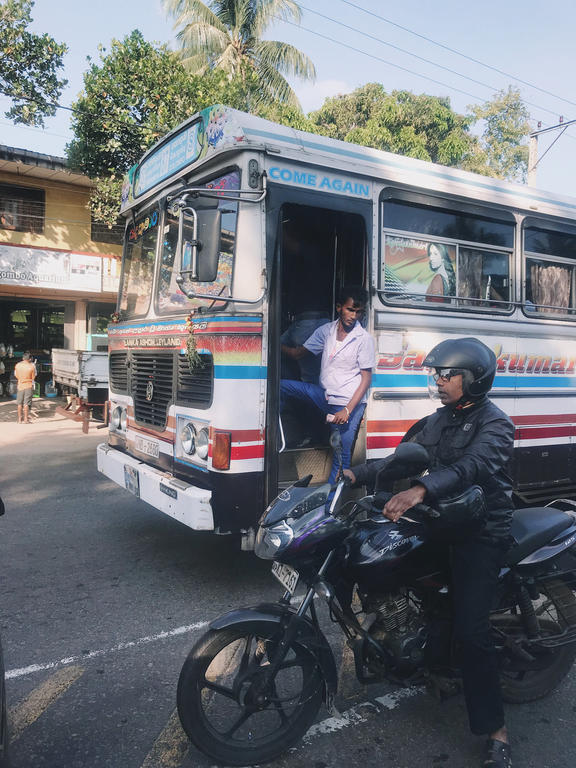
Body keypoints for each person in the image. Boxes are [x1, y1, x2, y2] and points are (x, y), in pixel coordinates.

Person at [345, 337, 514, 768]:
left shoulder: (496, 425)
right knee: (390, 570)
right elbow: (398, 463)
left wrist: (422, 490)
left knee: (474, 633)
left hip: (480, 529)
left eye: (447, 374)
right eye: (435, 374)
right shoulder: (435, 422)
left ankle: (497, 733)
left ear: (473, 381)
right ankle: (425, 657)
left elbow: (470, 468)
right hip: (442, 522)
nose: (438, 381)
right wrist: (352, 474)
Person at [280, 286, 376, 483]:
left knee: (341, 458)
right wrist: (271, 340)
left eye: (359, 312)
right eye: (351, 310)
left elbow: (366, 379)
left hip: (348, 404)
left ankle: (331, 506)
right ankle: (286, 434)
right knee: (280, 386)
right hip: (325, 396)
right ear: (339, 307)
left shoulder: (363, 339)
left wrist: (347, 411)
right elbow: (298, 353)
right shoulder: (326, 330)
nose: (354, 316)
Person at [14, 351, 36, 424]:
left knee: (19, 403)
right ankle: (26, 419)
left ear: (23, 358)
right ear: (29, 359)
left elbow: (16, 375)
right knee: (26, 403)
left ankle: (19, 419)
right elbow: (33, 377)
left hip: (20, 385)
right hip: (28, 385)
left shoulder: (17, 365)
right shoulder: (31, 367)